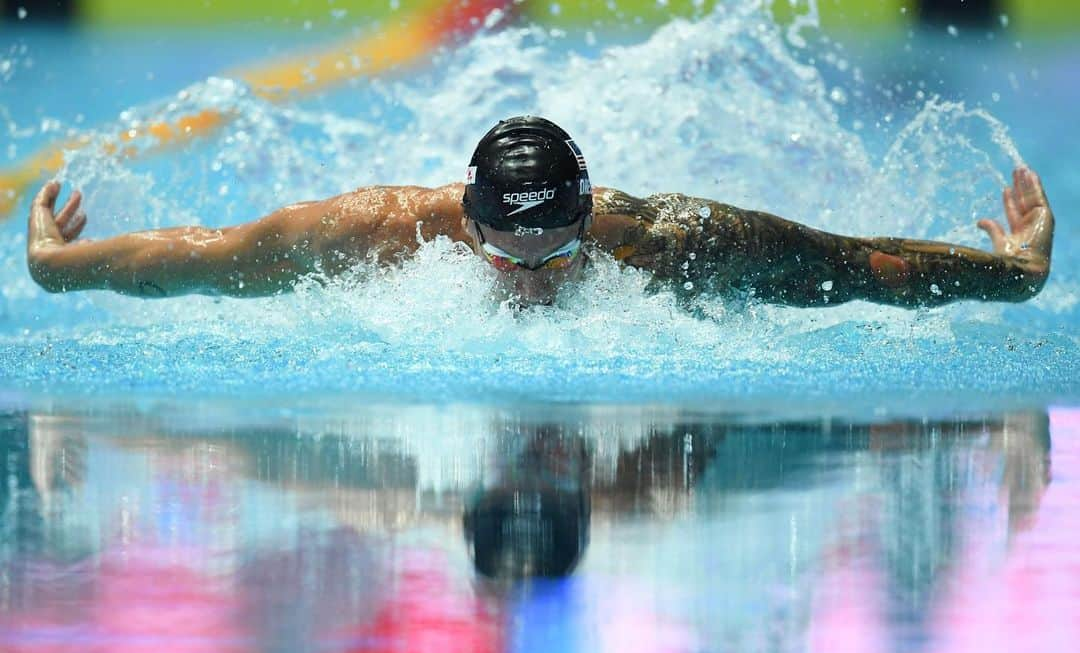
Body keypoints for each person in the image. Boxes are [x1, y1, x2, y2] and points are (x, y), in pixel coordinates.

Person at [26, 116, 1054, 308]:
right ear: (465, 221)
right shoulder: (374, 231)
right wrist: (55, 268)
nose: (527, 280)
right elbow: (201, 255)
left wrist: (1016, 275)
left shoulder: (663, 243)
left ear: (589, 216)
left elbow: (861, 268)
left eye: (552, 256)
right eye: (504, 254)